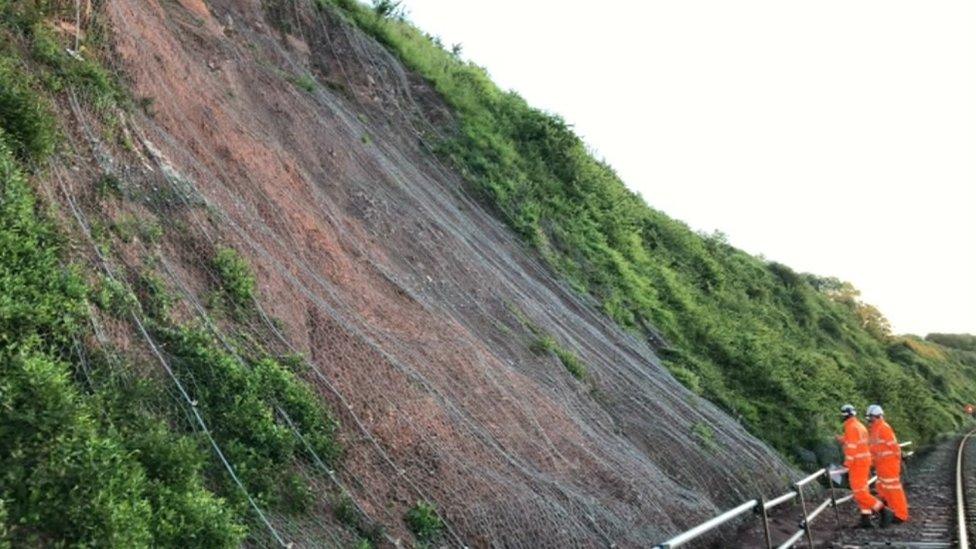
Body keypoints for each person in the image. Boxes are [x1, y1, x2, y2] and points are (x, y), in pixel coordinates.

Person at [836, 404, 889, 527]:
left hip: (857, 465)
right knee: (863, 491)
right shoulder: (859, 426)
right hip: (864, 463)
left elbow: (852, 448)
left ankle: (883, 511)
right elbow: (856, 442)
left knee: (859, 493)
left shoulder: (851, 428)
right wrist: (843, 439)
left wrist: (846, 465)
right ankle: (866, 519)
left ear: (844, 416)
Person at [867, 404, 909, 524]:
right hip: (882, 466)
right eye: (869, 417)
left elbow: (894, 447)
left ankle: (900, 515)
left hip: (889, 465)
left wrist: (898, 461)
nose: (870, 420)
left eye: (871, 417)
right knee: (882, 488)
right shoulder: (875, 429)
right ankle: (890, 512)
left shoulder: (884, 428)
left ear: (878, 416)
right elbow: (873, 449)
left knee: (894, 490)